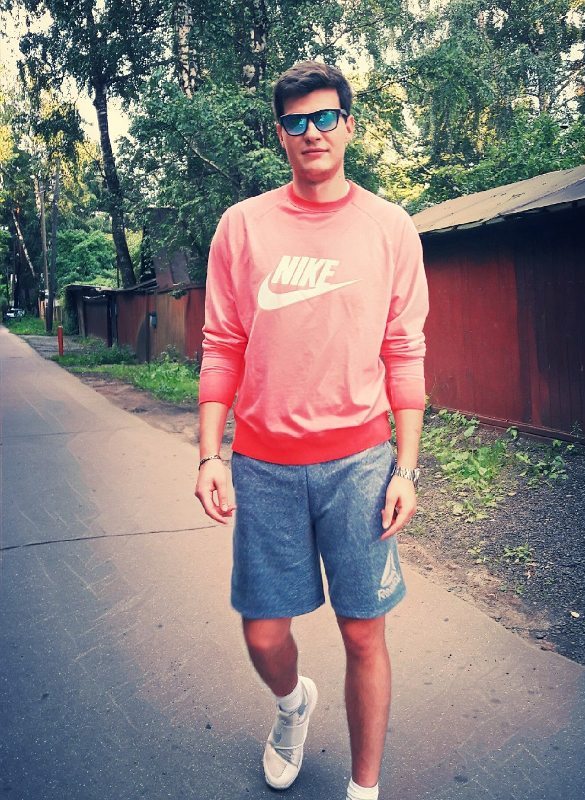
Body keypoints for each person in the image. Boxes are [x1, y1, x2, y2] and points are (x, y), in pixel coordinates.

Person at [195, 60, 428, 800]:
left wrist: (406, 468)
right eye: (296, 122)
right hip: (263, 466)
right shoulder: (243, 227)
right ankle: (293, 705)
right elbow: (222, 344)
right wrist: (210, 454)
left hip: (360, 463)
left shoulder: (389, 228)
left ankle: (364, 788)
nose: (312, 132)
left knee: (363, 632)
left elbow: (405, 353)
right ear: (281, 135)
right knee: (264, 633)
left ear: (349, 126)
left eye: (326, 117)